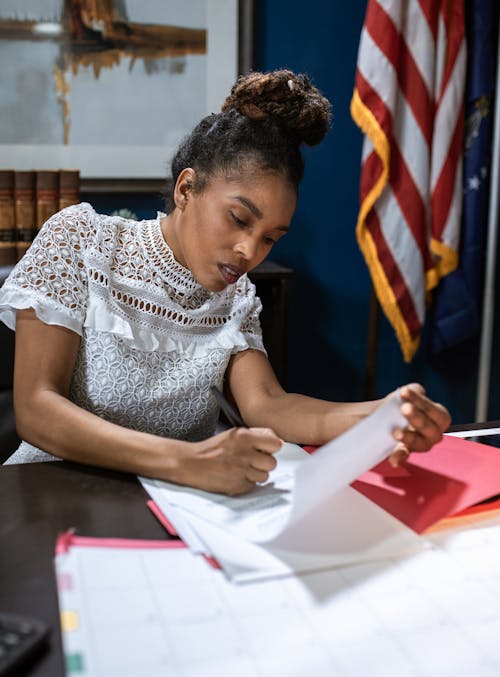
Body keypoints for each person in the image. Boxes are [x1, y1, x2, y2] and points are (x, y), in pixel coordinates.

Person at [0, 69, 450, 495]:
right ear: (186, 189)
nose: (250, 252)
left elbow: (270, 407)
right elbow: (38, 407)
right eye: (239, 219)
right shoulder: (82, 241)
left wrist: (380, 415)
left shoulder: (237, 297)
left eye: (270, 238)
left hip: (173, 506)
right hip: (45, 497)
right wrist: (187, 460)